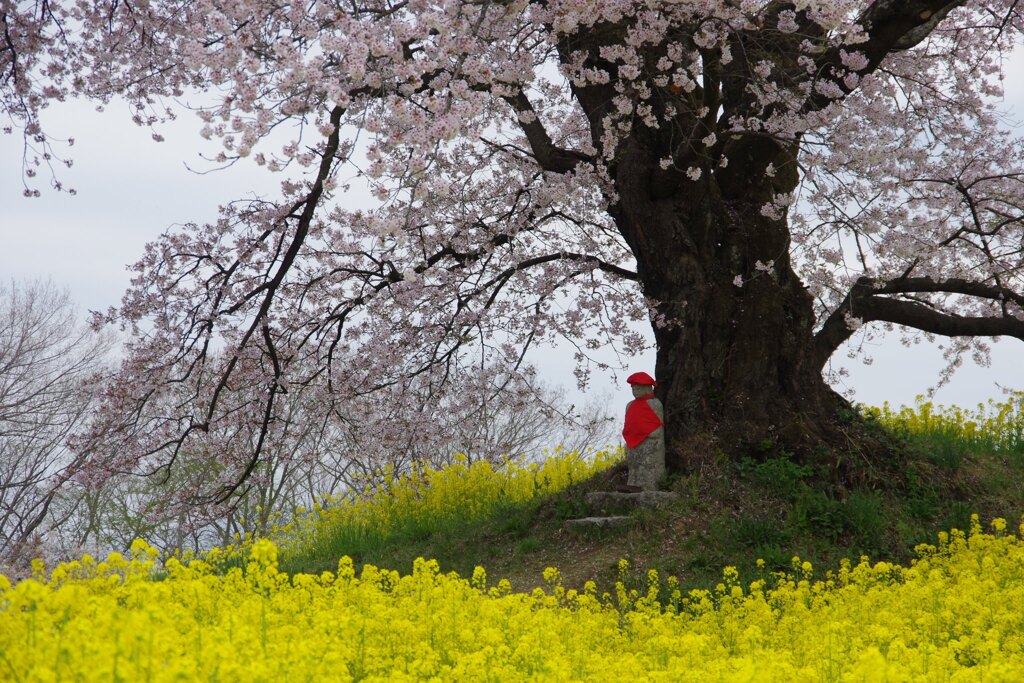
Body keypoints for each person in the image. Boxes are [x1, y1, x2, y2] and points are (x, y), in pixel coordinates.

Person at [620, 371, 665, 492]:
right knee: (633, 463)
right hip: (633, 440)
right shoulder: (630, 405)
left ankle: (648, 486)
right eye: (633, 389)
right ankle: (632, 484)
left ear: (647, 387)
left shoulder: (655, 404)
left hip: (650, 441)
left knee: (647, 463)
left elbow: (657, 426)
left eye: (638, 388)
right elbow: (629, 424)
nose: (635, 391)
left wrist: (649, 434)